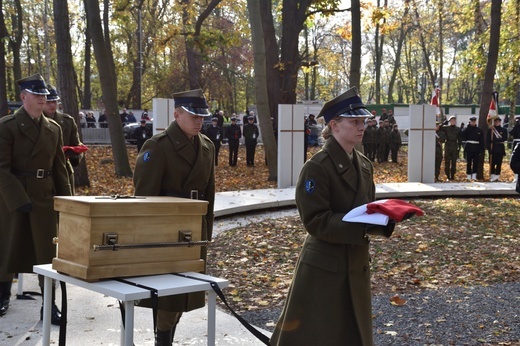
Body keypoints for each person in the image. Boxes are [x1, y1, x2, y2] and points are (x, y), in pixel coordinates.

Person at [271, 87, 396, 345]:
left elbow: (367, 208)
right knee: (319, 335)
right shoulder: (317, 167)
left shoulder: (363, 163)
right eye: (354, 122)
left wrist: (386, 218)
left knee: (351, 335)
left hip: (355, 262)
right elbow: (315, 221)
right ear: (334, 125)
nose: (361, 127)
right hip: (325, 268)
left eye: (363, 121)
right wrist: (361, 226)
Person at [133, 88, 215, 345]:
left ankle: (167, 334)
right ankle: (163, 338)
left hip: (194, 226)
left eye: (202, 116)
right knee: (168, 290)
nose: (199, 121)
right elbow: (144, 196)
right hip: (166, 228)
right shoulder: (158, 147)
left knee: (186, 289)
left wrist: (206, 232)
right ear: (177, 114)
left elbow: (209, 195)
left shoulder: (207, 146)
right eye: (193, 116)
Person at [0, 74, 71, 322]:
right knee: (8, 247)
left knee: (47, 254)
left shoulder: (54, 129)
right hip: (14, 197)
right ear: (23, 97)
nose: (42, 100)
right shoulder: (7, 126)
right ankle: (2, 295)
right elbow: (2, 168)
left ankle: (49, 305)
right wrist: (17, 199)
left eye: (44, 96)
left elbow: (59, 168)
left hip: (44, 196)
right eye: (37, 95)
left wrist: (68, 203)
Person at [43, 85, 84, 192]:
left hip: (64, 171)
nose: (52, 105)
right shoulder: (36, 121)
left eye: (55, 101)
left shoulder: (67, 121)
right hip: (41, 173)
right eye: (48, 102)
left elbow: (77, 145)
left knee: (66, 205)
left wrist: (74, 155)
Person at [460, 116, 483, 181]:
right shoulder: (467, 129)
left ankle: (474, 176)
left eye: (474, 121)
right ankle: (468, 175)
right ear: (469, 122)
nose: (473, 122)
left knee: (475, 162)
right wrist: (467, 127)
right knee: (469, 162)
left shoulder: (479, 130)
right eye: (472, 121)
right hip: (469, 147)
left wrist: (481, 149)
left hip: (476, 148)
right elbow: (462, 135)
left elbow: (481, 140)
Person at [487, 117, 508, 182]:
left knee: (499, 163)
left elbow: (504, 138)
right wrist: (489, 149)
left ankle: (497, 177)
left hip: (500, 148)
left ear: (500, 122)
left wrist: (495, 140)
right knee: (492, 163)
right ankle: (492, 176)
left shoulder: (504, 130)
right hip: (493, 148)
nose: (497, 122)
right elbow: (488, 140)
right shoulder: (490, 130)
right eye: (496, 121)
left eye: (498, 121)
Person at [442, 116, 461, 181]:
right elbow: (439, 127)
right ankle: (447, 175)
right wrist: (445, 122)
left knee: (453, 162)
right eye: (451, 120)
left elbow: (460, 139)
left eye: (454, 120)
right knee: (447, 162)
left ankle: (452, 175)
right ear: (450, 121)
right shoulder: (446, 128)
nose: (453, 122)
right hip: (448, 145)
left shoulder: (458, 129)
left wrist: (459, 147)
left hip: (455, 146)